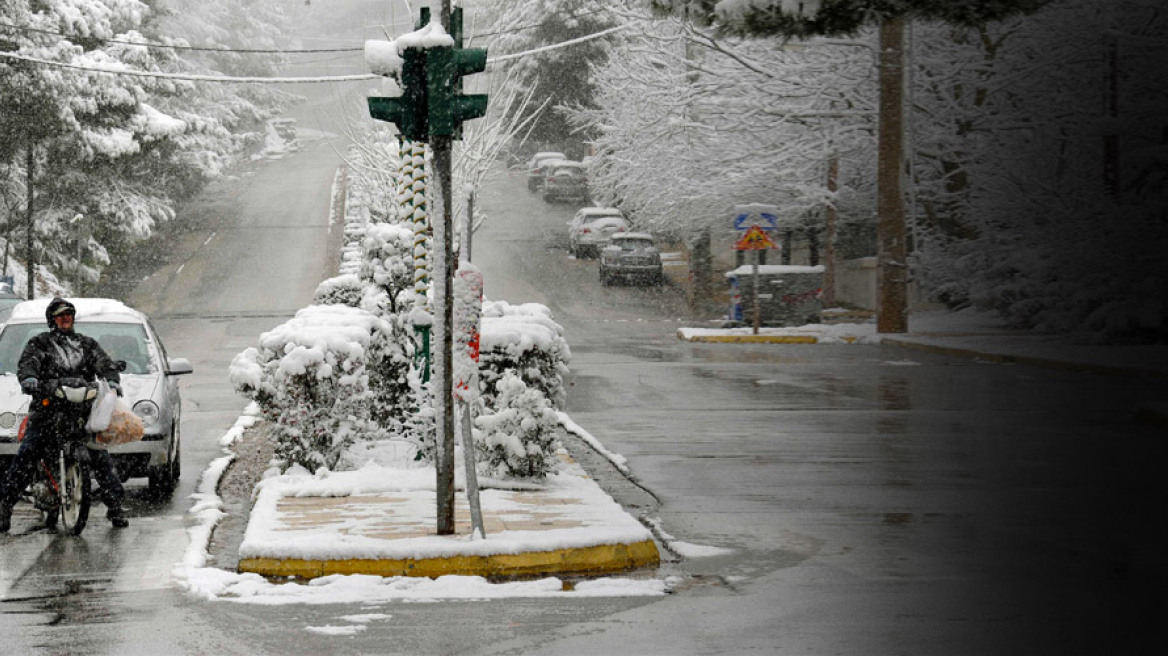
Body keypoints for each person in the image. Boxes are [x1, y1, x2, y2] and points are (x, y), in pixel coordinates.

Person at [0, 298, 127, 533]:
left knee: (99, 456)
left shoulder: (86, 344)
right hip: (48, 411)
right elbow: (28, 363)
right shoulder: (40, 343)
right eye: (60, 315)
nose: (65, 318)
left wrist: (111, 379)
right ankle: (4, 504)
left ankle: (116, 506)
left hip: (81, 413)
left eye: (68, 314)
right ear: (52, 320)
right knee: (28, 453)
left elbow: (104, 363)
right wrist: (30, 379)